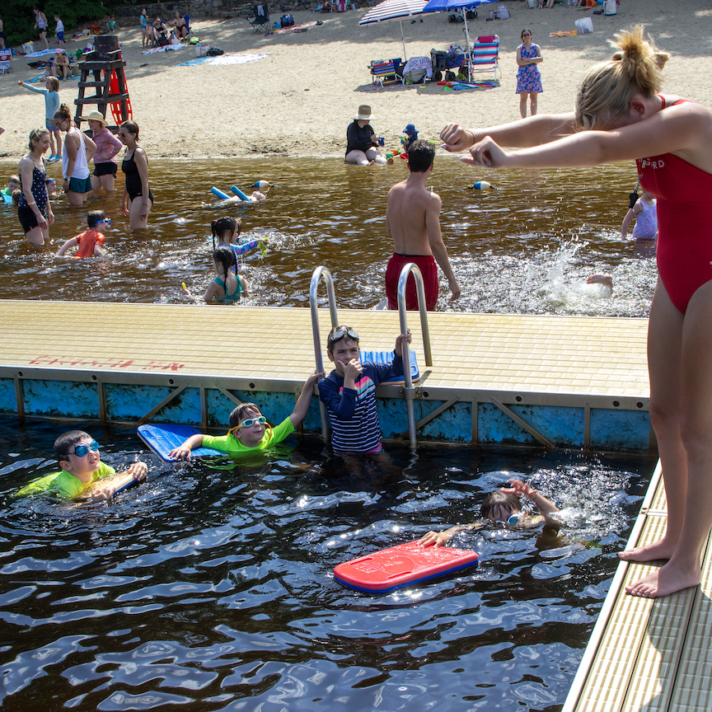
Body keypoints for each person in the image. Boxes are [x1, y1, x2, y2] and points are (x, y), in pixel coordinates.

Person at [441, 26, 712, 599]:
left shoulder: (690, 123)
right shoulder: (629, 112)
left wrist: (511, 163)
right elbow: (559, 126)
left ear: (638, 110)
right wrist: (481, 134)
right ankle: (675, 535)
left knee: (698, 427)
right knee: (664, 412)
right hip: (675, 275)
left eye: (618, 124)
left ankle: (689, 558)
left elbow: (600, 148)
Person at [168, 372, 323, 459]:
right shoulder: (229, 442)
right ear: (237, 432)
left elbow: (298, 414)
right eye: (249, 423)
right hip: (240, 471)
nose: (257, 424)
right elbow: (201, 438)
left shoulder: (270, 436)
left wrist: (308, 385)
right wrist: (185, 446)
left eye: (260, 420)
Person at [385, 140, 461, 311]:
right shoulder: (430, 199)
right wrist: (451, 279)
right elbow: (435, 243)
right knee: (424, 323)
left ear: (408, 164)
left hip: (395, 266)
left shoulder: (393, 192)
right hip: (420, 269)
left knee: (398, 322)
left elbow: (390, 230)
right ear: (431, 166)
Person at [318, 325, 411, 454]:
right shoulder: (327, 384)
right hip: (346, 452)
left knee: (391, 472)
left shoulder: (369, 370)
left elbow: (395, 369)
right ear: (330, 356)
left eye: (353, 350)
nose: (348, 356)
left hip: (373, 446)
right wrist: (349, 379)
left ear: (359, 352)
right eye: (341, 352)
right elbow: (345, 414)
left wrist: (399, 351)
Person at [419, 479, 562, 547]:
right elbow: (460, 529)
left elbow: (557, 518)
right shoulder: (486, 526)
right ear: (489, 521)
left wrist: (533, 497)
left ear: (523, 513)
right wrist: (443, 535)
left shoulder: (529, 521)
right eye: (498, 523)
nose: (507, 525)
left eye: (512, 519)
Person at [13, 430, 148, 502]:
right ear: (66, 465)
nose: (92, 453)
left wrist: (140, 466)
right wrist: (91, 503)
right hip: (24, 495)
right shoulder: (68, 486)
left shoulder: (99, 466)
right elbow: (65, 510)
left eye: (94, 446)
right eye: (82, 451)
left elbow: (117, 478)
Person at [17, 128, 54, 246]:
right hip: (28, 210)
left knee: (46, 243)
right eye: (44, 142)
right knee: (38, 246)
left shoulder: (42, 160)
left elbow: (43, 186)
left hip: (41, 208)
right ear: (34, 142)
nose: (47, 145)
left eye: (49, 142)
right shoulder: (27, 162)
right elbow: (27, 190)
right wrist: (38, 215)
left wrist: (49, 210)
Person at [54, 103, 96, 206]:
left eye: (59, 124)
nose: (57, 127)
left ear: (67, 120)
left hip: (74, 177)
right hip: (84, 174)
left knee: (76, 211)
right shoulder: (78, 131)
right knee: (83, 209)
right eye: (55, 125)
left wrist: (66, 180)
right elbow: (93, 147)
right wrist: (83, 162)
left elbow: (72, 159)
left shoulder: (70, 136)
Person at [118, 121, 153, 230]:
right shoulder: (127, 150)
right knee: (134, 230)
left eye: (123, 135)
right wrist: (124, 200)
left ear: (133, 135)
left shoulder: (138, 152)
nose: (120, 137)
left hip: (141, 195)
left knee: (138, 232)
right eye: (119, 134)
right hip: (132, 194)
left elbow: (144, 180)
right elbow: (128, 178)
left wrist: (145, 204)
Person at [184, 246, 249, 303]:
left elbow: (204, 299)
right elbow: (247, 297)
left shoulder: (215, 284)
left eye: (213, 262)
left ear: (218, 263)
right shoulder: (241, 280)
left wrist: (189, 296)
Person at [18, 77, 62, 162]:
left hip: (55, 119)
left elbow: (57, 107)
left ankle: (59, 154)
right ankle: (53, 153)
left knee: (57, 135)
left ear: (53, 85)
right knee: (50, 136)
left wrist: (56, 118)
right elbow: (35, 89)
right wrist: (24, 85)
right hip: (48, 118)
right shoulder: (46, 92)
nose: (46, 84)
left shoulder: (55, 94)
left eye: (48, 83)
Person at [86, 111, 122, 193]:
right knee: (92, 192)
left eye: (92, 121)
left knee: (109, 193)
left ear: (99, 122)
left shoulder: (106, 133)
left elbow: (119, 144)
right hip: (98, 164)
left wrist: (109, 155)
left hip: (107, 164)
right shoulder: (94, 132)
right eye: (89, 121)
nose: (89, 123)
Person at [516, 29, 543, 119]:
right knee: (523, 97)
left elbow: (541, 59)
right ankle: (524, 118)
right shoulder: (519, 48)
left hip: (533, 74)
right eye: (524, 35)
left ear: (531, 35)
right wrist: (533, 60)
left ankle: (533, 118)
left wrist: (528, 59)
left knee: (533, 97)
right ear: (522, 37)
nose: (526, 36)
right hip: (523, 74)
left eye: (528, 34)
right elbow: (519, 62)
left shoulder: (536, 47)